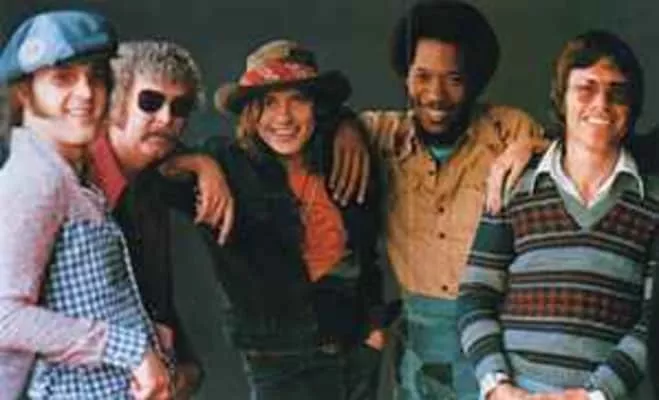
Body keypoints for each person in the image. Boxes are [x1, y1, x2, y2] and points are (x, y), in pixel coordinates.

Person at [346, 1, 545, 398]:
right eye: (422, 76)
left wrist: (538, 145)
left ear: (474, 80)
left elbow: (583, 154)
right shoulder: (379, 135)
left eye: (453, 79)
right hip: (417, 344)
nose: (436, 95)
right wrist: (344, 128)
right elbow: (303, 128)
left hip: (496, 342)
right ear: (405, 77)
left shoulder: (510, 131)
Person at [458, 30, 655, 400]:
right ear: (561, 99)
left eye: (617, 92)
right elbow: (476, 295)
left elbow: (653, 320)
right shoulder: (514, 183)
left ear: (633, 106)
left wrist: (598, 394)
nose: (601, 104)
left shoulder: (653, 200)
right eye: (585, 89)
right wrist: (497, 385)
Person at [196, 39, 386, 400]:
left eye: (298, 99)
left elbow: (368, 253)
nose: (283, 117)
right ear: (250, 112)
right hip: (277, 366)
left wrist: (375, 331)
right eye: (268, 102)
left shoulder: (344, 158)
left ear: (317, 106)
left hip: (354, 353)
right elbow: (156, 164)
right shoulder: (229, 167)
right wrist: (199, 163)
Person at [0, 10, 170, 399]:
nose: (87, 93)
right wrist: (133, 350)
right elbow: (4, 316)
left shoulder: (66, 172)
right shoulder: (34, 180)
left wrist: (150, 337)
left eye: (95, 77)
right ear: (24, 92)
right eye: (63, 78)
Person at [88, 40, 226, 398]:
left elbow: (148, 294)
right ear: (116, 101)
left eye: (180, 107)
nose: (166, 119)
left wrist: (186, 366)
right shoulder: (70, 178)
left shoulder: (152, 178)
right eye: (150, 102)